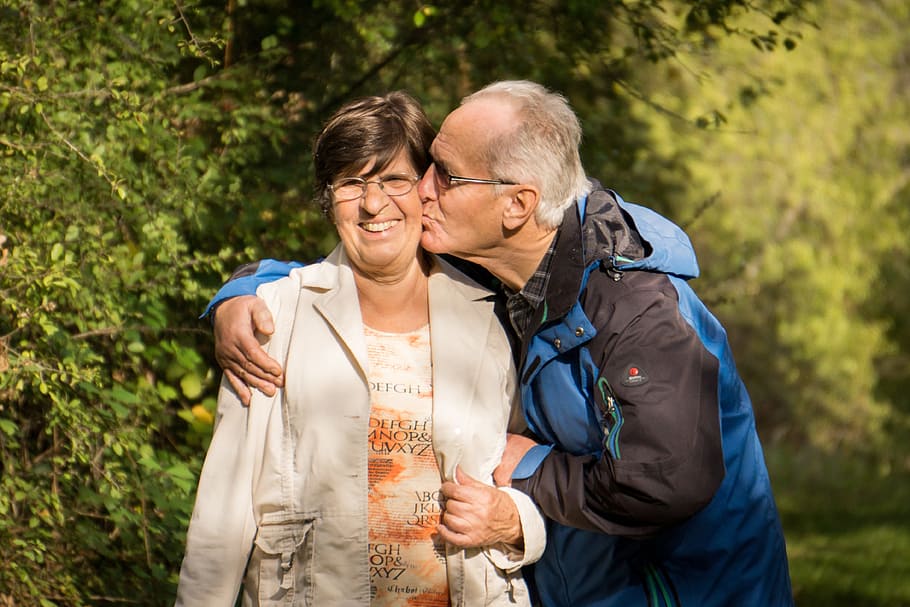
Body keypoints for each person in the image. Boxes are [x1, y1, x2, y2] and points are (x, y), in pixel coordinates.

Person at [209, 81, 794, 606]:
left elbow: (664, 480)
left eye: (445, 174)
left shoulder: (634, 310)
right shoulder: (502, 264)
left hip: (683, 590)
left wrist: (531, 469)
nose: (420, 191)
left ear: (516, 204)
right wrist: (242, 292)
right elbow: (354, 265)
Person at [175, 91, 546, 606]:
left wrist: (518, 521)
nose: (373, 204)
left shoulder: (495, 319)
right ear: (330, 199)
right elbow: (222, 515)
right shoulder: (274, 315)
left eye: (394, 180)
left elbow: (535, 474)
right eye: (351, 183)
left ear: (428, 187)